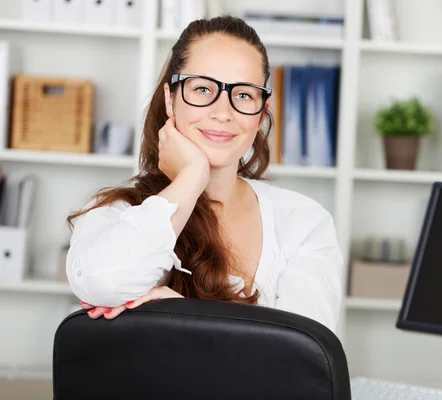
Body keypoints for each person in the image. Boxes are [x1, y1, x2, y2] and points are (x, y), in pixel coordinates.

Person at [65, 15, 343, 333]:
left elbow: (303, 362)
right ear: (171, 99)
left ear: (262, 111)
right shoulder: (118, 213)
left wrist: (186, 317)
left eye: (243, 95)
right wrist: (192, 179)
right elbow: (105, 283)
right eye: (202, 89)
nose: (223, 113)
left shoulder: (303, 221)